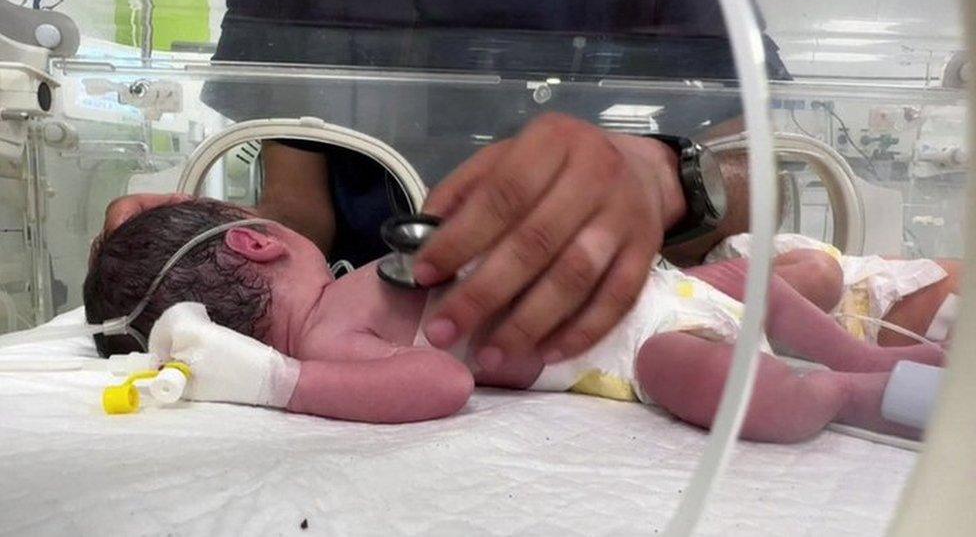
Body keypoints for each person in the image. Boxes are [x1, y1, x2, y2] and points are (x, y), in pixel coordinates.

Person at [106, 0, 793, 370]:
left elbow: (762, 176)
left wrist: (667, 176)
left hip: (604, 305)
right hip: (395, 323)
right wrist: (205, 243)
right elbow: (296, 204)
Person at [85, 200, 944, 442]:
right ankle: (862, 391)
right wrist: (284, 381)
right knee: (738, 380)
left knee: (757, 285)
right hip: (640, 340)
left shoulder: (347, 298)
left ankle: (855, 367)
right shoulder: (324, 337)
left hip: (658, 286)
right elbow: (445, 378)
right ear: (258, 241)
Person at [705, 233, 962, 347]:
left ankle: (690, 299)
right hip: (843, 279)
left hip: (842, 341)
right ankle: (686, 286)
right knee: (819, 277)